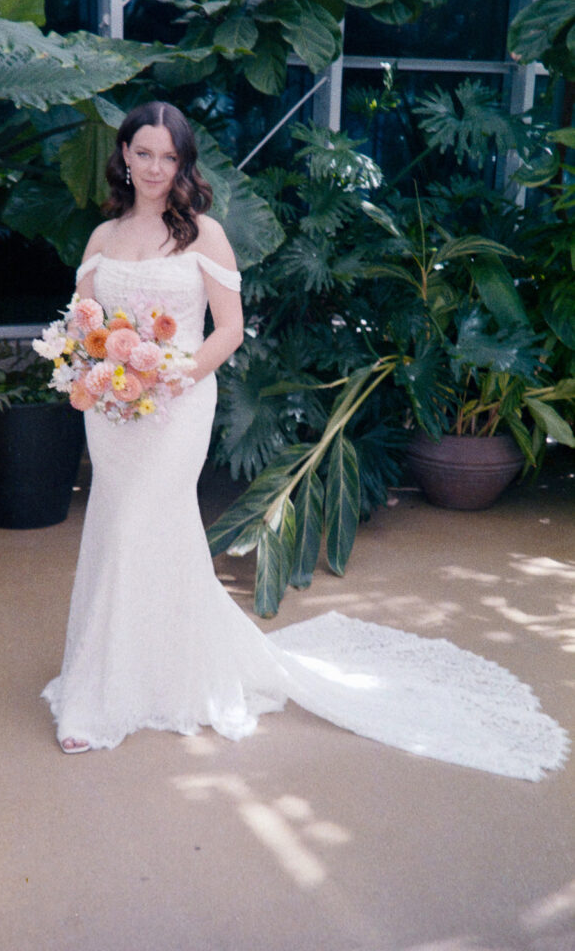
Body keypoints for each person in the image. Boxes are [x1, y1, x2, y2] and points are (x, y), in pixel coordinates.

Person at [41, 102, 567, 780]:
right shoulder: (100, 238)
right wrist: (99, 373)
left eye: (168, 157)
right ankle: (114, 676)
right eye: (142, 154)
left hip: (174, 404)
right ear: (123, 157)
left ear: (183, 164)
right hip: (112, 412)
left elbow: (226, 328)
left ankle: (113, 693)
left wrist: (170, 374)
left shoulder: (204, 235)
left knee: (143, 522)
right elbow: (84, 325)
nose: (153, 168)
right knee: (117, 527)